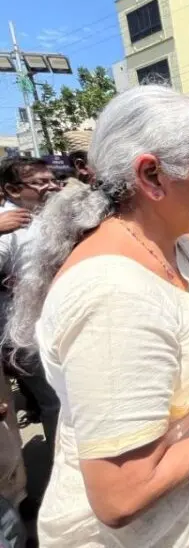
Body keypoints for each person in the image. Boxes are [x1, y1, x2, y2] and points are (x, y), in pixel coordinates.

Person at [4, 85, 189, 546]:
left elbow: (183, 357)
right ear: (152, 176)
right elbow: (123, 494)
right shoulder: (112, 295)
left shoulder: (175, 242)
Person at [0, 157, 61, 455]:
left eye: (51, 179)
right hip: (26, 333)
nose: (51, 186)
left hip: (54, 322)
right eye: (39, 182)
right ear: (12, 189)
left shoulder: (44, 217)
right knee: (56, 404)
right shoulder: (8, 225)